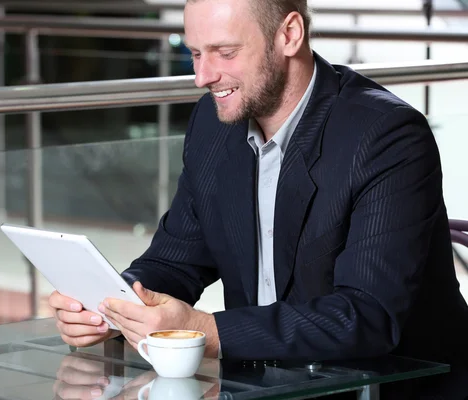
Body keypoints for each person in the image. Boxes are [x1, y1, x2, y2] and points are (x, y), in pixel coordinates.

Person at [50, 0, 468, 397]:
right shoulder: (213, 126)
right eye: (195, 54)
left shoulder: (386, 136)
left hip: (391, 388)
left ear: (289, 34)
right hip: (267, 387)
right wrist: (110, 306)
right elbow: (175, 260)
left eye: (224, 52)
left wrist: (209, 331)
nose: (202, 76)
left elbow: (367, 316)